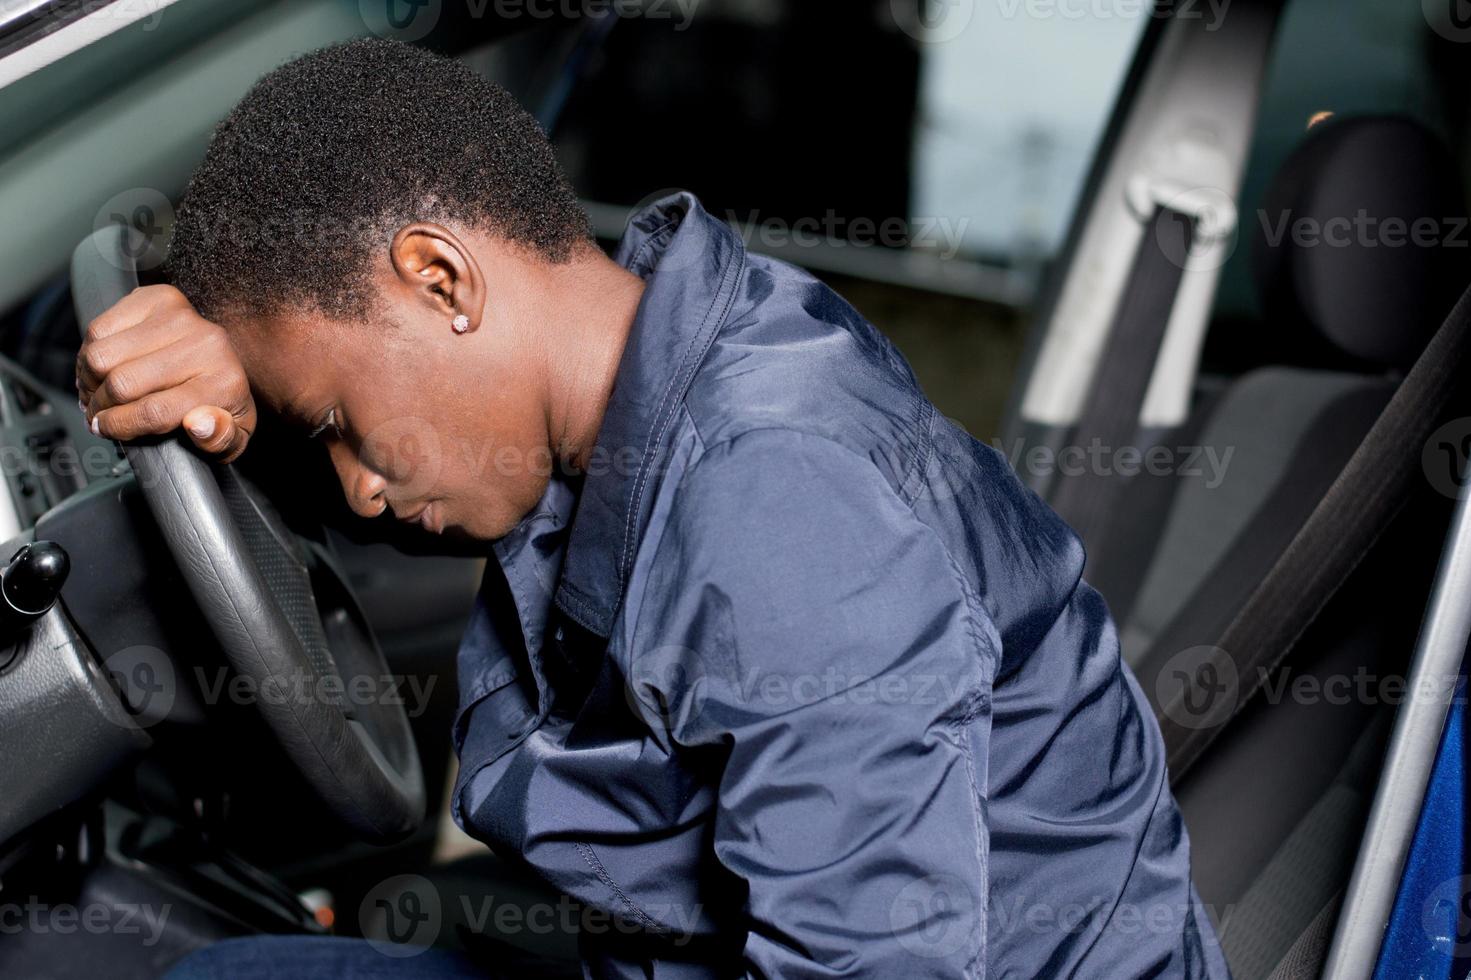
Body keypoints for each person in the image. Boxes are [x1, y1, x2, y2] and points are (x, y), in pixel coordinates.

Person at [80, 38, 1227, 980]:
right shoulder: (649, 362)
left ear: (442, 280)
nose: (363, 483)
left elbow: (872, 962)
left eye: (336, 424)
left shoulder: (782, 497)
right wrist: (246, 399)